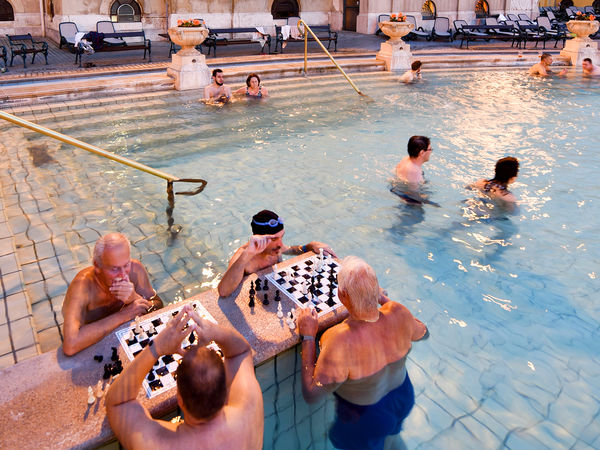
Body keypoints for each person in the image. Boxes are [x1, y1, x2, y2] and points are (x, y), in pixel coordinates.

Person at [297, 256, 429, 450]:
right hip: (403, 397)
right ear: (376, 290)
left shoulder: (339, 340)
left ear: (342, 295)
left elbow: (311, 394)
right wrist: (384, 300)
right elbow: (423, 334)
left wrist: (307, 337)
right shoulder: (399, 312)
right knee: (392, 439)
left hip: (366, 417)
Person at [106, 305, 263, 449]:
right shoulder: (249, 413)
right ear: (225, 391)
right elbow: (241, 352)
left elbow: (118, 403)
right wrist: (215, 331)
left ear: (179, 400)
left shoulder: (155, 444)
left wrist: (157, 347)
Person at [62, 233, 162, 355]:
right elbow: (70, 345)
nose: (123, 275)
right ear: (97, 265)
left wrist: (134, 297)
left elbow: (158, 306)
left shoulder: (136, 270)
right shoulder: (82, 287)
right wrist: (125, 314)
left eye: (126, 265)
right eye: (114, 269)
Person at [217, 210, 337, 297]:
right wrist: (246, 255)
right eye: (274, 239)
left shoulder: (276, 248)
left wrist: (310, 246)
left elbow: (292, 250)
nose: (280, 244)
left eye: (281, 237)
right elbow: (223, 292)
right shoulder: (243, 257)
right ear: (259, 238)